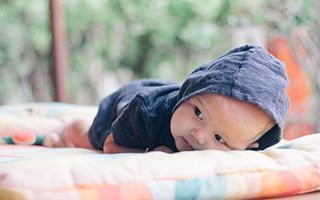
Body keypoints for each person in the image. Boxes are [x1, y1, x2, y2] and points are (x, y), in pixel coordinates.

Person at [43, 44, 289, 153]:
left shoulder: (246, 144)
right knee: (91, 137)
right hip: (127, 106)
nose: (199, 136)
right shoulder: (145, 112)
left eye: (219, 138)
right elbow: (111, 146)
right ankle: (67, 129)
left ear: (248, 146)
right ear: (188, 94)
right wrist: (149, 154)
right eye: (198, 113)